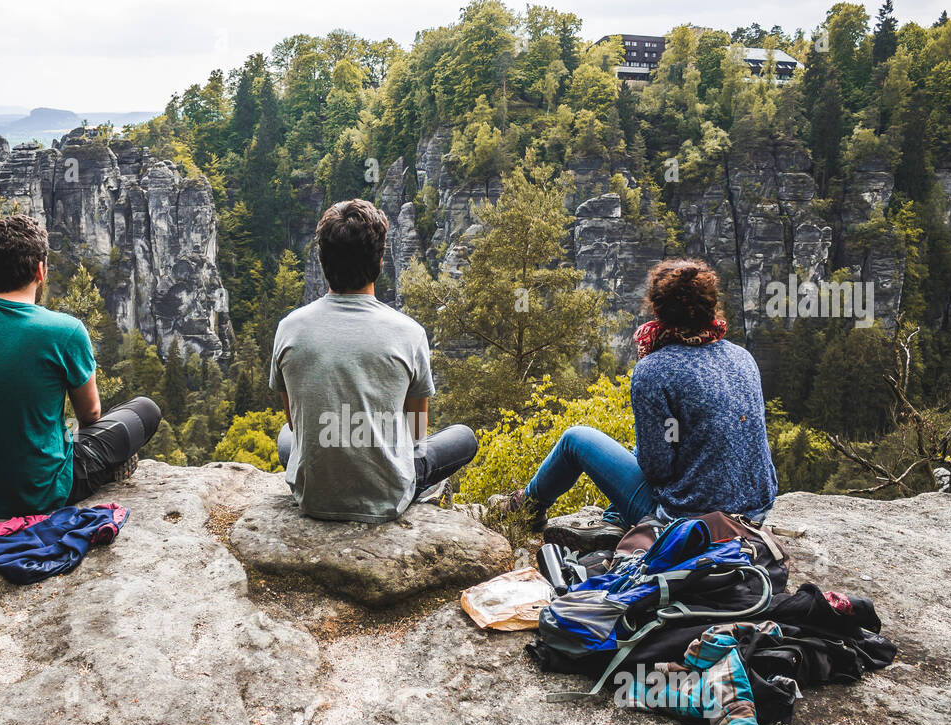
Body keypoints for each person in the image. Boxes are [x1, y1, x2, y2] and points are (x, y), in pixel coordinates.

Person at [488, 259, 778, 551]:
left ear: (656, 309)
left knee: (575, 440)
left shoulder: (655, 370)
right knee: (652, 444)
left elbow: (657, 470)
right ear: (712, 306)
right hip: (753, 514)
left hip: (690, 524)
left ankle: (525, 509)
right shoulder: (742, 358)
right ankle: (614, 521)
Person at [0, 214, 161, 518]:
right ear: (40, 270)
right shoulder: (65, 331)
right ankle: (102, 471)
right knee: (145, 410)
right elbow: (90, 415)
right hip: (40, 493)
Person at [269, 199, 478, 523]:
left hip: (313, 497)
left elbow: (297, 423)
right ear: (381, 261)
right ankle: (418, 490)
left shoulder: (289, 329)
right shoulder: (409, 333)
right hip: (389, 497)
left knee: (287, 436)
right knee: (464, 437)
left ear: (322, 259)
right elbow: (416, 434)